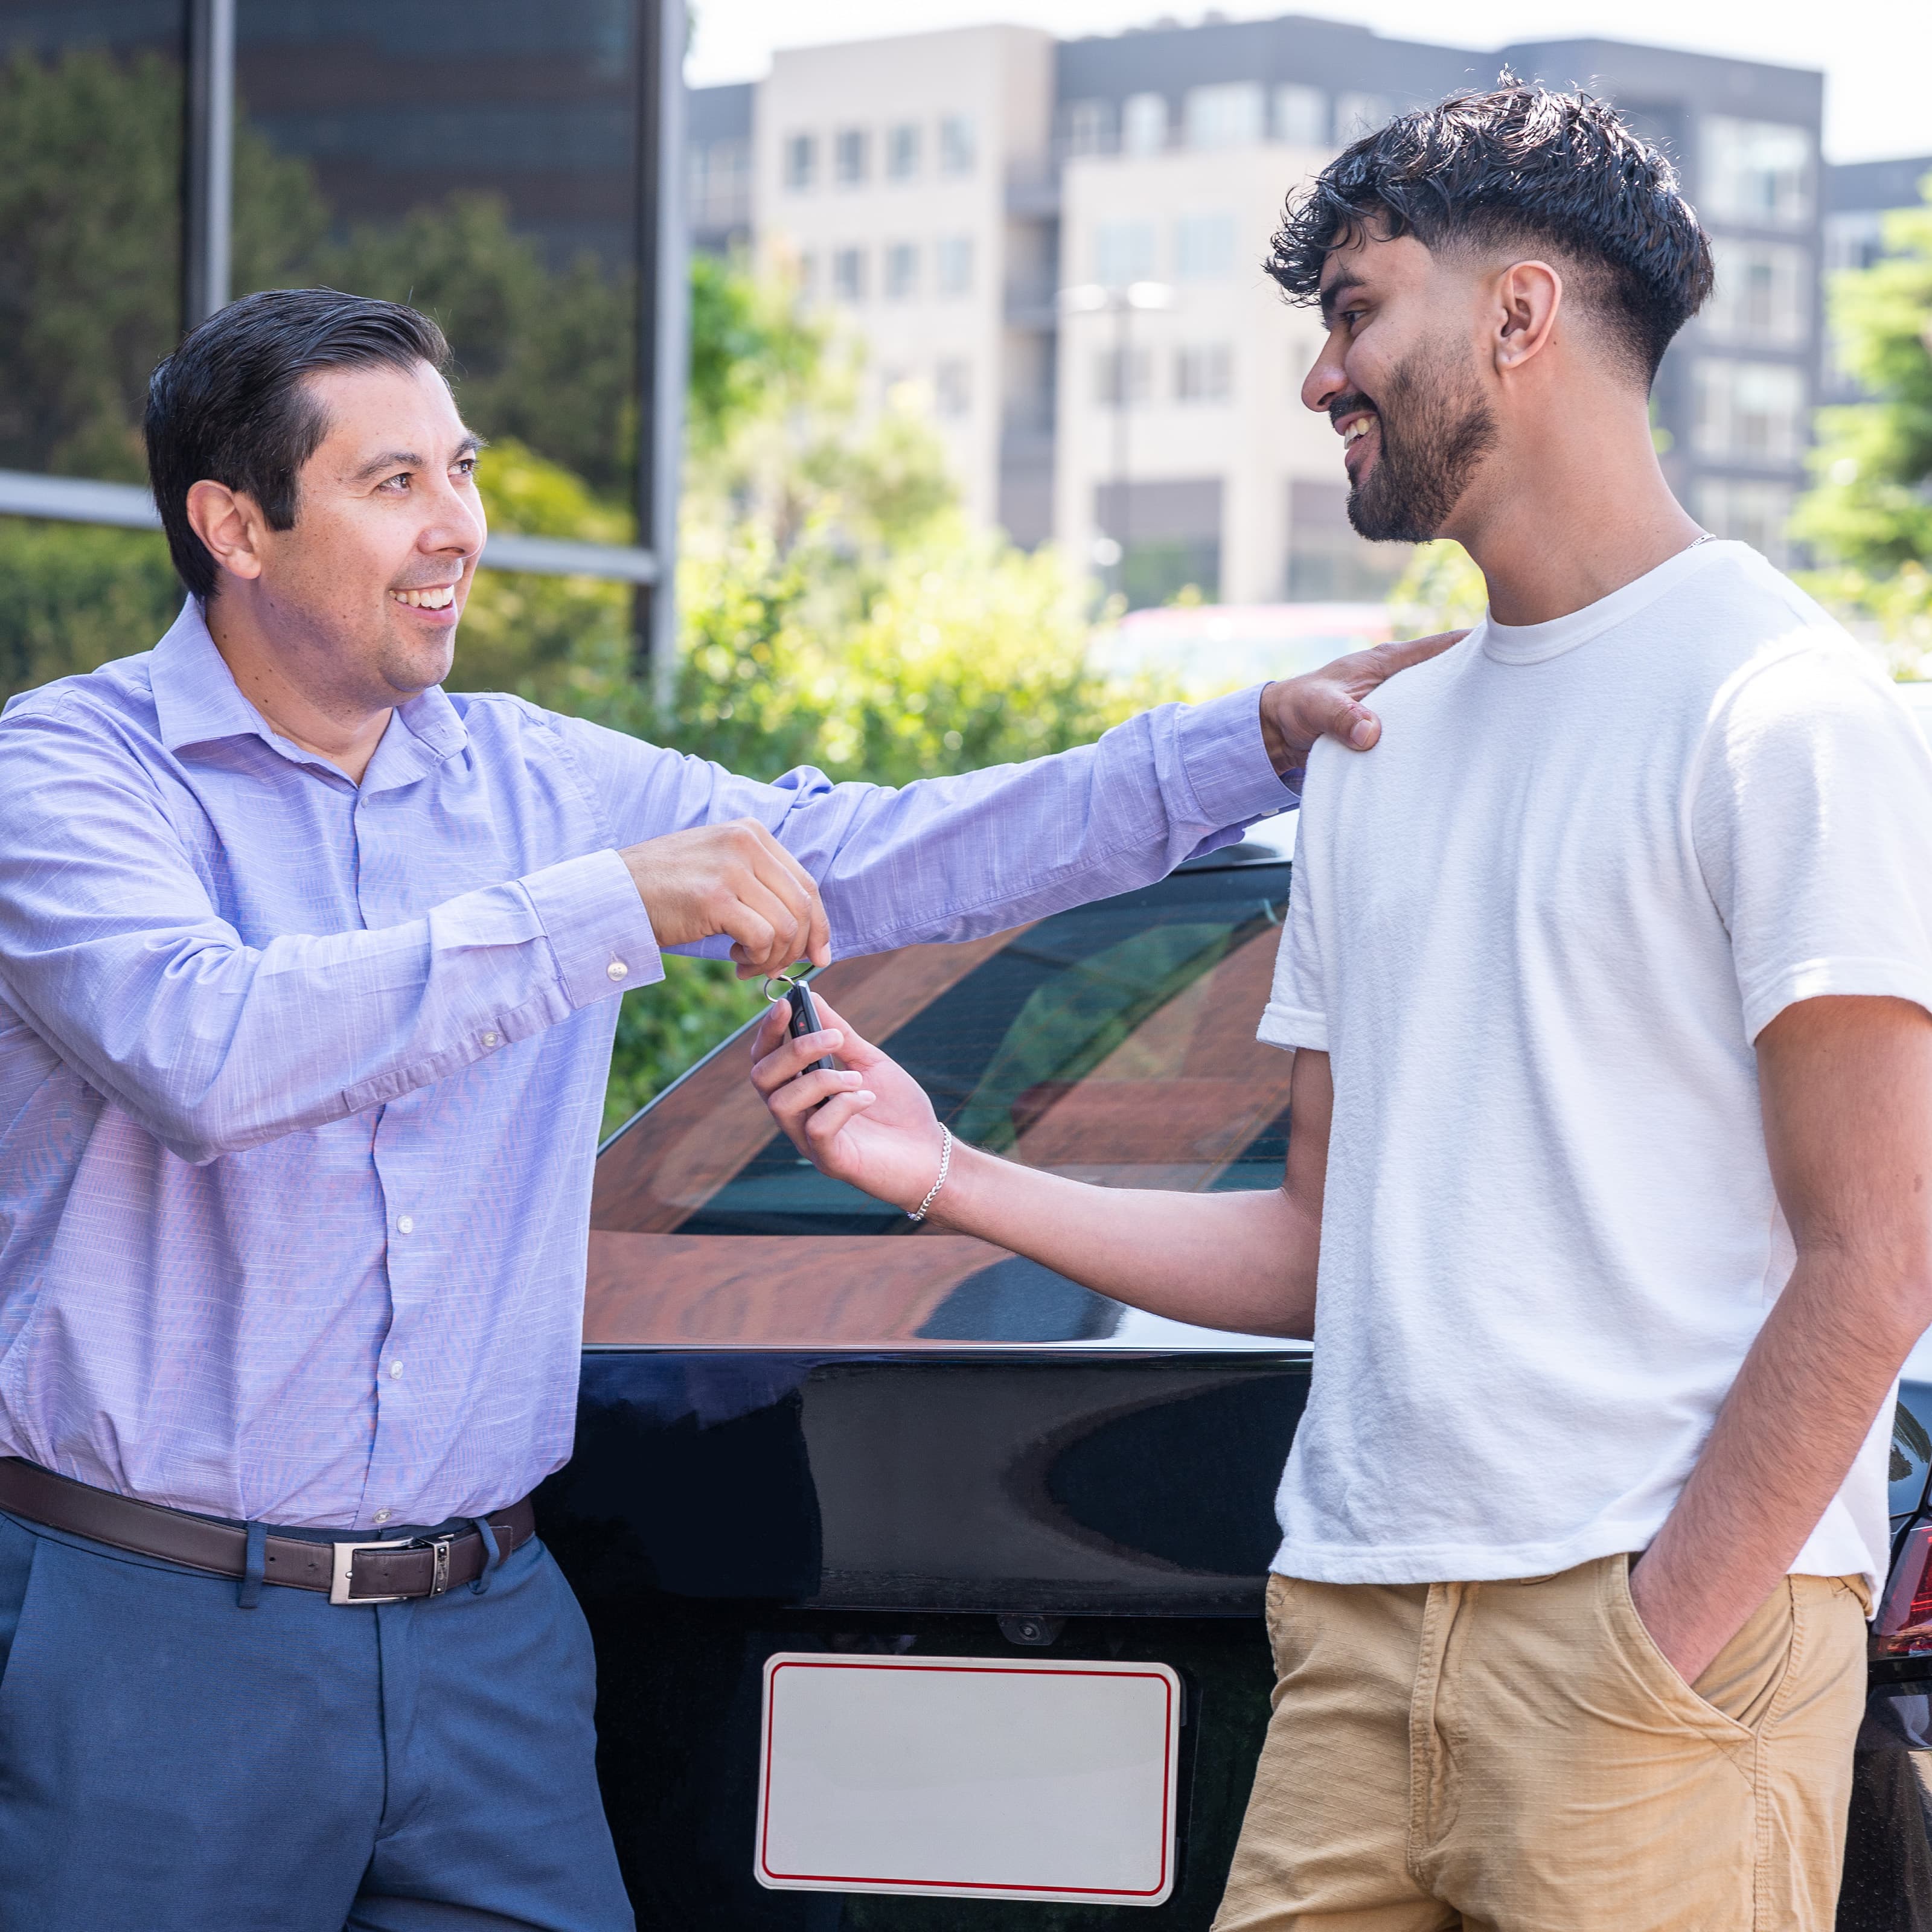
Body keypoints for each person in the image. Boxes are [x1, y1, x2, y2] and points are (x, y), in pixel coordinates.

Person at [0, 286, 1440, 1930]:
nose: (458, 528)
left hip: (489, 1639)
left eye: (461, 473)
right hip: (155, 1635)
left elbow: (900, 852)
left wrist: (1246, 743)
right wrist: (611, 906)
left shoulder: (539, 780)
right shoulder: (67, 776)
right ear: (232, 524)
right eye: (393, 483)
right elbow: (207, 1048)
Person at [753, 82, 1932, 1932]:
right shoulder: (1373, 744)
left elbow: (1873, 1257)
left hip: (1652, 1641)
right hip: (1358, 1631)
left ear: (1521, 317)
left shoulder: (1779, 713)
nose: (1323, 377)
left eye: (1360, 309)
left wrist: (1656, 1636)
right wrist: (942, 1173)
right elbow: (1321, 1241)